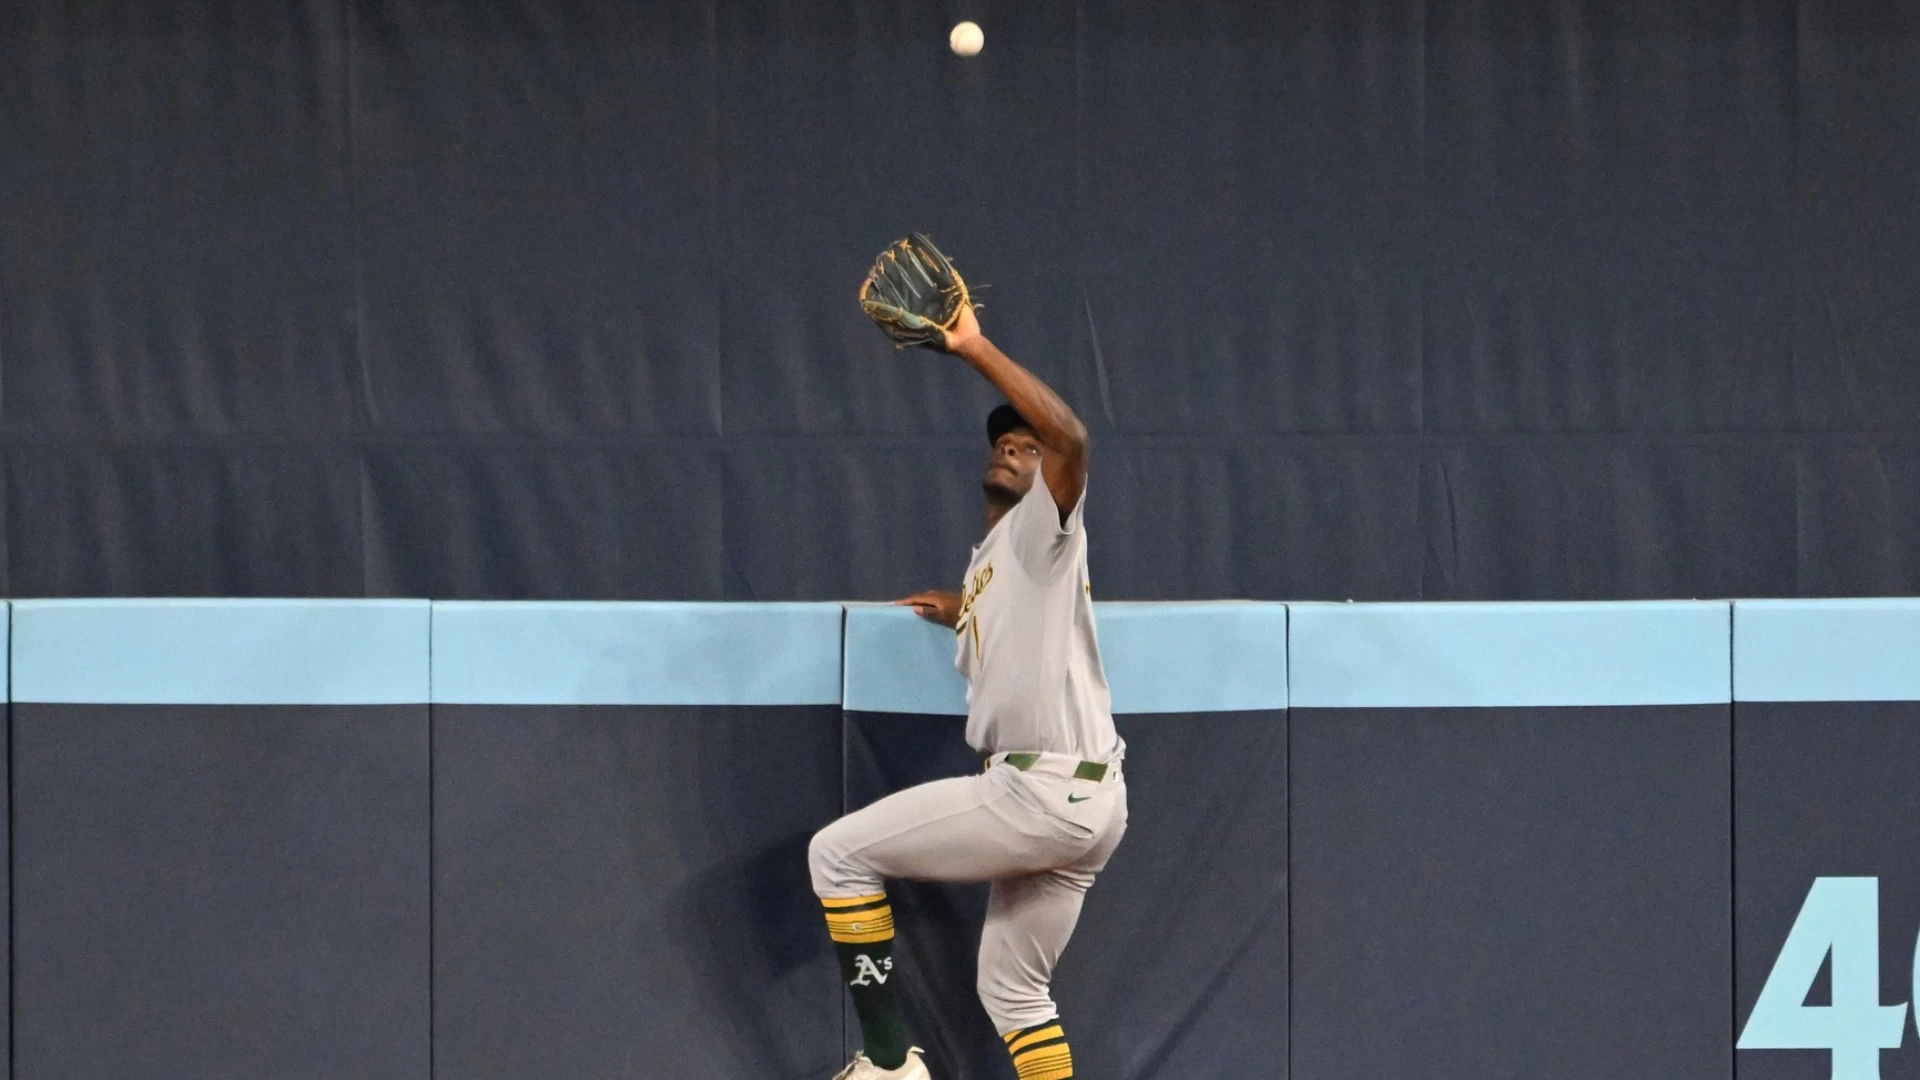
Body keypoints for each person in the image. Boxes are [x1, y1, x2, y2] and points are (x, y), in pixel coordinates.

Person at [809, 301, 1127, 1080]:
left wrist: (974, 345)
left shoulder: (1040, 532)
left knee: (838, 855)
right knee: (1015, 993)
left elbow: (1074, 440)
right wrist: (959, 608)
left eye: (1028, 446)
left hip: (1041, 789)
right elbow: (1002, 615)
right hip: (1094, 800)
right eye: (1006, 442)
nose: (1016, 450)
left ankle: (889, 1066)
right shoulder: (991, 562)